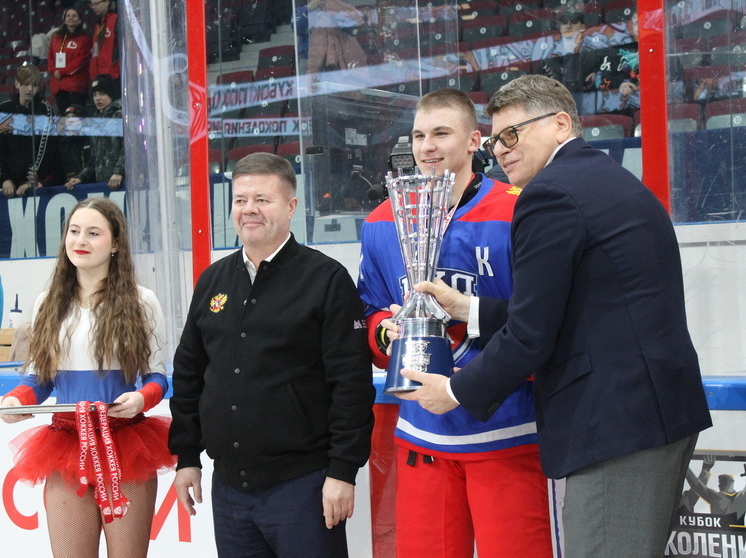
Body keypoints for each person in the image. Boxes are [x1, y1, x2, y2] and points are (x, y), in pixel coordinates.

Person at [398, 75, 712, 558]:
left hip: (615, 424)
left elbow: (531, 334)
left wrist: (455, 391)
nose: (502, 150)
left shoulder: (549, 194)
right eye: (496, 140)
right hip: (651, 413)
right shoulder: (601, 177)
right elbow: (573, 308)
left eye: (513, 134)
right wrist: (470, 309)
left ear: (562, 124)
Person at [357, 88, 553, 558]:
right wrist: (389, 335)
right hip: (423, 436)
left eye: (441, 133)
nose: (427, 146)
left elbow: (539, 320)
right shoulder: (382, 221)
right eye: (419, 135)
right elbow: (370, 311)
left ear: (473, 141)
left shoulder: (518, 209)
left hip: (507, 431)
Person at [168, 152, 375, 558]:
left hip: (303, 486)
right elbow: (189, 372)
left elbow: (351, 384)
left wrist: (343, 471)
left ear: (291, 206)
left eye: (262, 199)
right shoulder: (213, 281)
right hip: (229, 490)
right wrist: (187, 456)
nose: (249, 209)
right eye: (240, 200)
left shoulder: (326, 279)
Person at [0, 197, 175, 557]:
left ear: (115, 244)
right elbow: (39, 378)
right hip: (66, 444)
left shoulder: (142, 301)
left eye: (94, 233)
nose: (80, 240)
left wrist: (141, 398)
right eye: (74, 231)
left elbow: (157, 377)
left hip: (124, 443)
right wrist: (16, 400)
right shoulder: (48, 302)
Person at [0, 64, 61, 197]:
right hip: (8, 183)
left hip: (34, 182)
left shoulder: (45, 110)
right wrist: (4, 178)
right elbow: (1, 147)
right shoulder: (5, 109)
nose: (30, 89)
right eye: (26, 84)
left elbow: (46, 148)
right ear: (17, 84)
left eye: (34, 85)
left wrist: (33, 179)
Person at [65, 74, 124, 190]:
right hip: (103, 184)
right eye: (94, 95)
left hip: (121, 182)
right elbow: (94, 159)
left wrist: (119, 172)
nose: (98, 98)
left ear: (110, 94)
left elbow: (128, 148)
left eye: (102, 93)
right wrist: (81, 177)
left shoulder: (120, 115)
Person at [48, 6, 92, 113]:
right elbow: (50, 56)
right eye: (68, 16)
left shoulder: (85, 38)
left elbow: (82, 60)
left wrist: (62, 71)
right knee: (63, 117)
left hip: (76, 86)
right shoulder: (56, 38)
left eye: (74, 16)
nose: (71, 18)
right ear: (64, 19)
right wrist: (53, 71)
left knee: (76, 117)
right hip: (58, 86)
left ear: (80, 20)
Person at [89, 0, 120, 85]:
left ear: (106, 2)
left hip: (113, 74)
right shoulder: (98, 25)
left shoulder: (116, 19)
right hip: (98, 75)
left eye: (96, 4)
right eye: (92, 5)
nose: (94, 7)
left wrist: (115, 67)